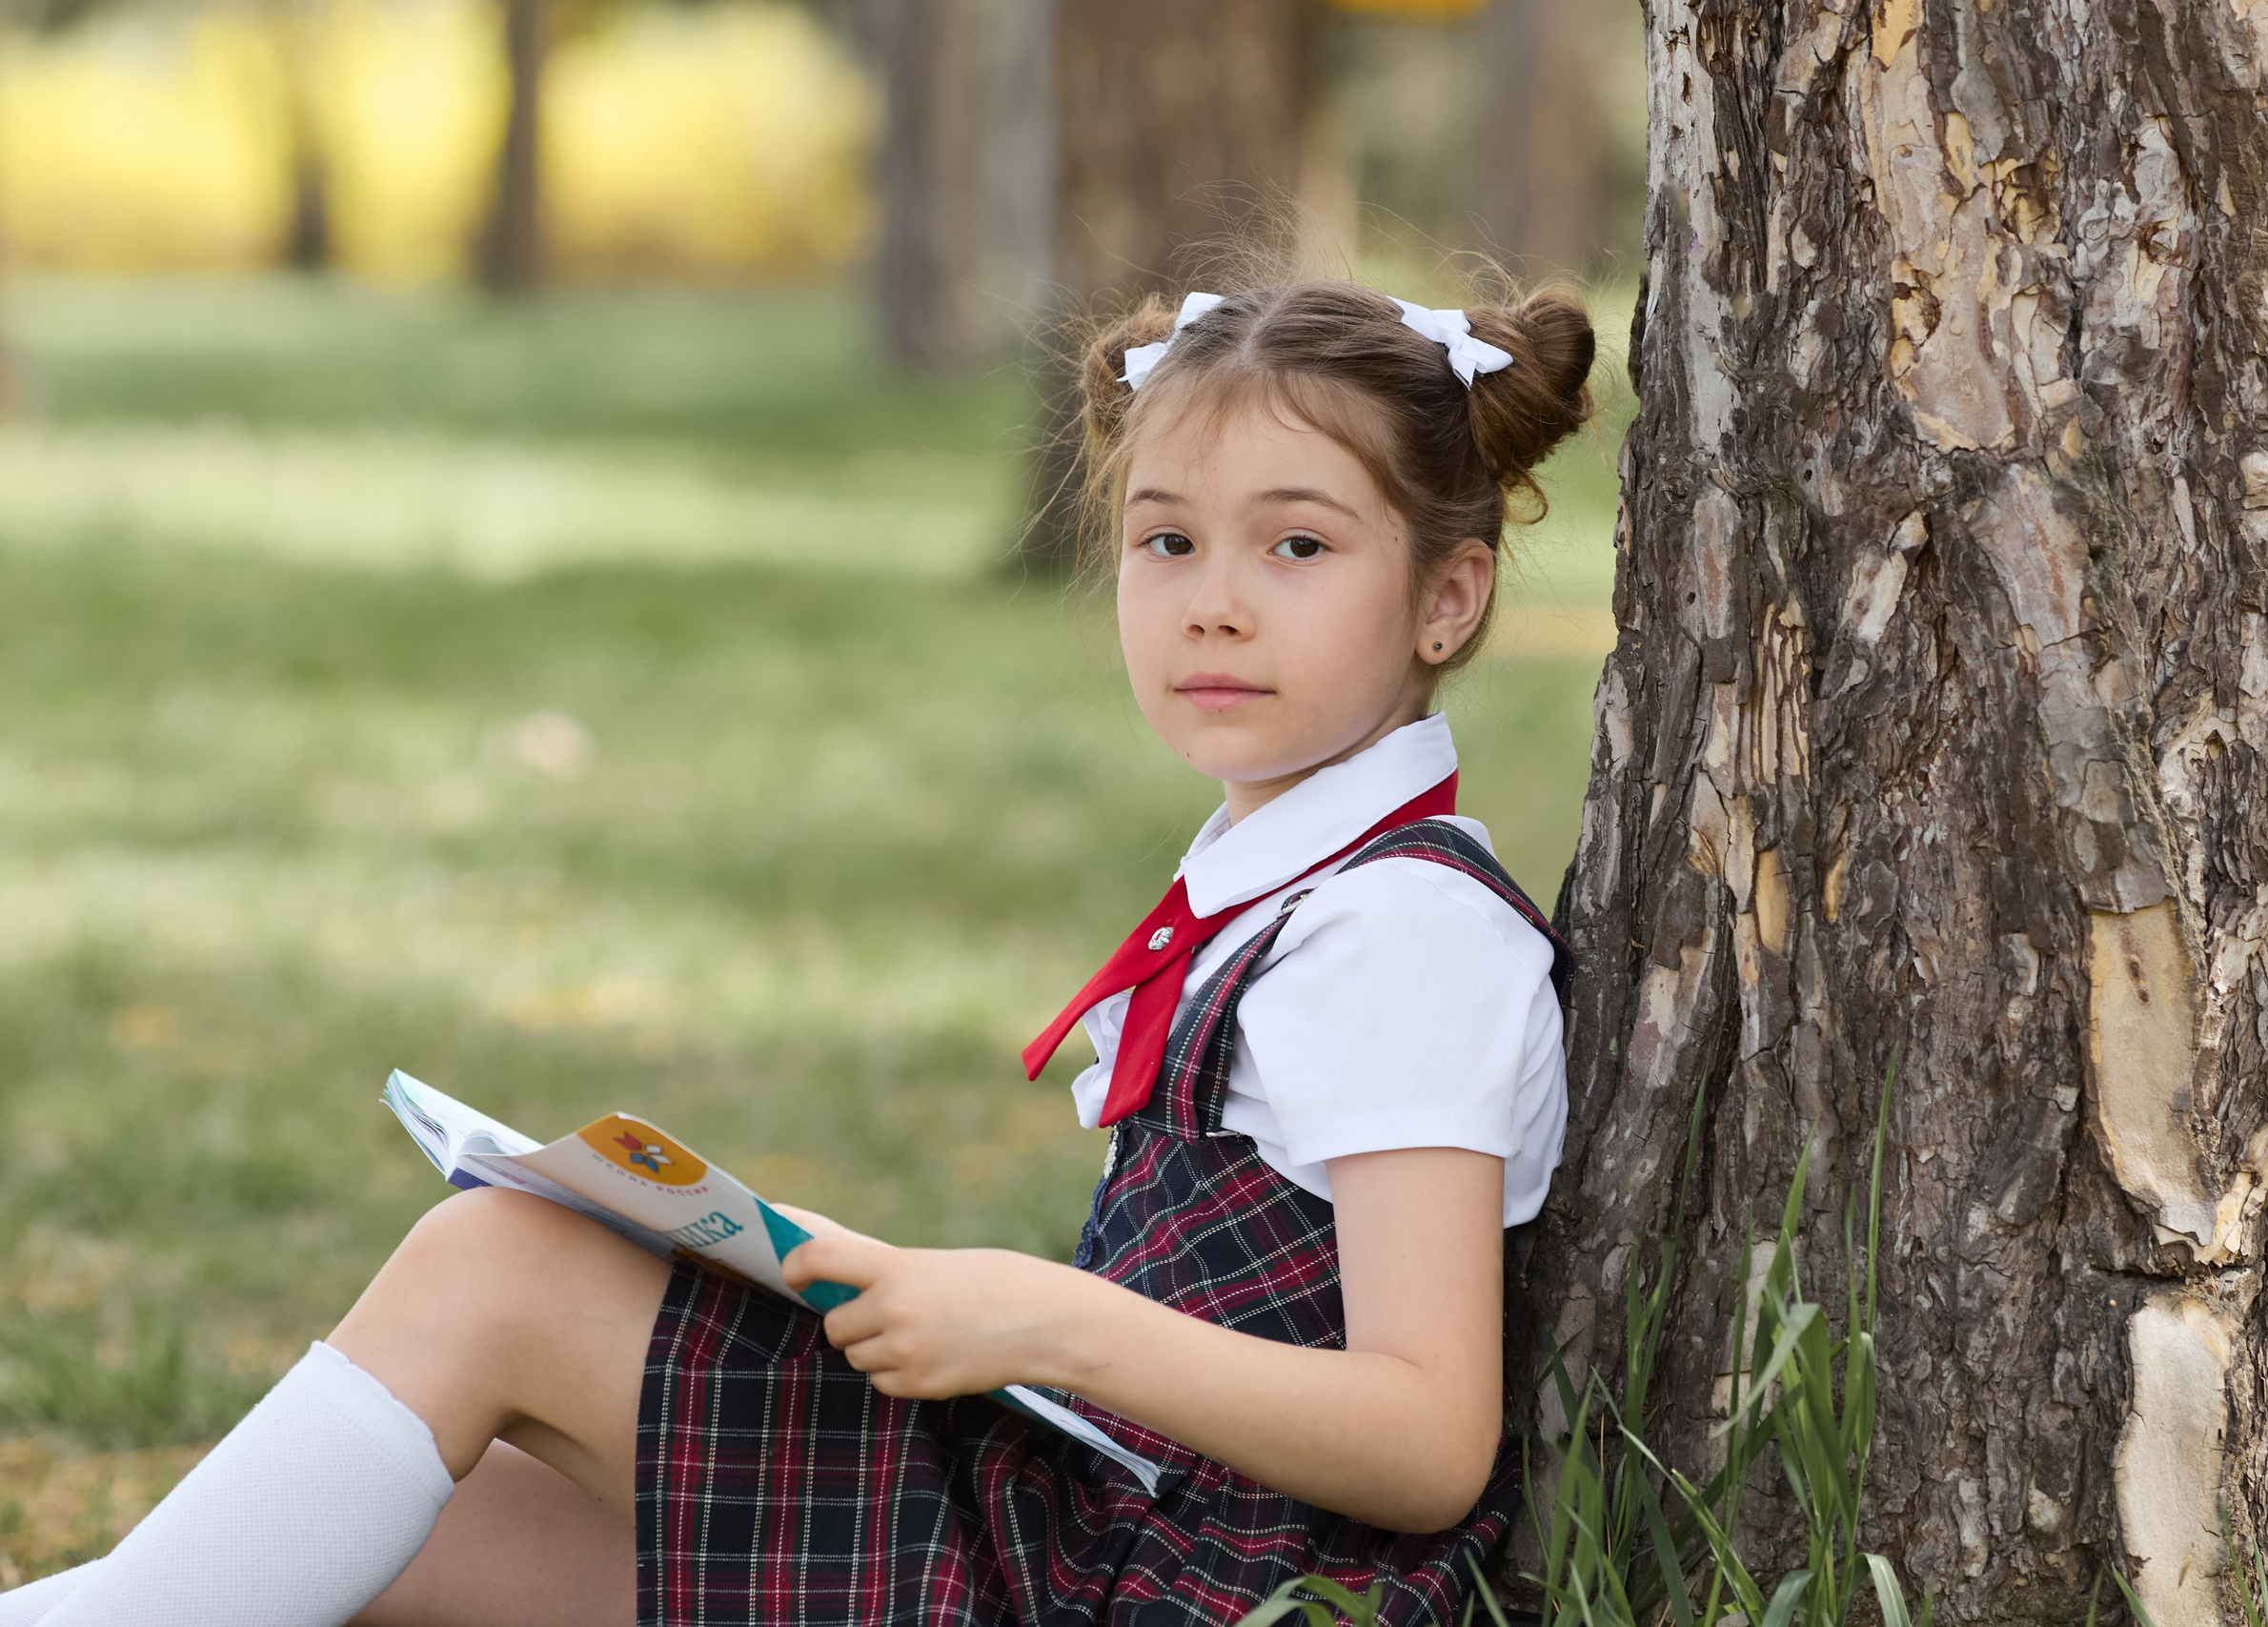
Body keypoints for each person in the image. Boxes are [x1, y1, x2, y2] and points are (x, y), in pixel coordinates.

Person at [0, 277, 1596, 1627]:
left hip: (1195, 1587)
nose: (1215, 606)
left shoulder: (1405, 932)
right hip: (1107, 1527)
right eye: (1167, 543)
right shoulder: (1290, 881)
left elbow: (1428, 1435)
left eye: (1297, 549)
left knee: (503, 1272)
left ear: (1448, 598)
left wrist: (1040, 1321)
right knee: (416, 1524)